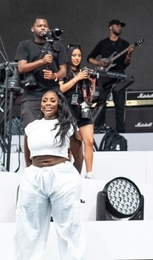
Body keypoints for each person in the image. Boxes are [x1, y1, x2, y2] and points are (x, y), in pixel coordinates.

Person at [12, 90, 84, 259]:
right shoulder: (31, 127)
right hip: (34, 177)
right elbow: (29, 159)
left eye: (52, 100)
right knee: (28, 227)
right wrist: (34, 175)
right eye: (45, 100)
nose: (48, 103)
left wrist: (72, 181)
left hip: (63, 177)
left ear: (59, 104)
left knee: (69, 227)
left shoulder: (68, 126)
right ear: (41, 104)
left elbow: (79, 158)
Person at [15, 17, 68, 129]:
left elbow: (63, 71)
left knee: (56, 130)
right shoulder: (25, 45)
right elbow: (21, 68)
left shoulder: (58, 46)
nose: (43, 27)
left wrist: (55, 75)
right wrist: (41, 61)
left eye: (45, 26)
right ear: (32, 29)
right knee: (31, 130)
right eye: (39, 26)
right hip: (32, 95)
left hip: (53, 93)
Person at [87, 19, 134, 133]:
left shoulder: (124, 44)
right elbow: (89, 58)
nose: (119, 27)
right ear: (110, 27)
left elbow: (126, 63)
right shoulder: (103, 43)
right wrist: (99, 63)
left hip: (119, 74)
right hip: (105, 75)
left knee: (119, 104)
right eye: (117, 25)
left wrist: (129, 55)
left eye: (120, 26)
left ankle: (120, 130)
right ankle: (98, 127)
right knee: (101, 102)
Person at [60, 44, 96, 178]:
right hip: (68, 110)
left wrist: (92, 82)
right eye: (74, 55)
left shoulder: (84, 71)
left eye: (79, 55)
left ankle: (89, 173)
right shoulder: (64, 71)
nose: (76, 58)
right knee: (68, 144)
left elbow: (91, 96)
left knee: (89, 141)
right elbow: (60, 90)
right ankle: (66, 174)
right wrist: (77, 78)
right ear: (69, 56)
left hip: (83, 108)